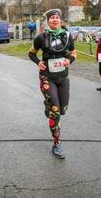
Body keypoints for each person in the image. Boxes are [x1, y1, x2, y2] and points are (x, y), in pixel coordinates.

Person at [28, 9, 77, 159]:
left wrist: (70, 60)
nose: (55, 20)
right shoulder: (41, 37)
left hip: (62, 78)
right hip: (47, 77)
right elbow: (31, 53)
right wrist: (38, 62)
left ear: (61, 20)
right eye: (52, 18)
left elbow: (73, 52)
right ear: (48, 21)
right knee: (55, 112)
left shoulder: (67, 36)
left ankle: (48, 105)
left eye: (57, 18)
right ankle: (56, 143)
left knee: (62, 109)